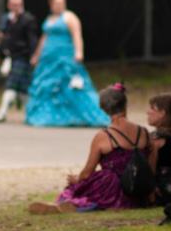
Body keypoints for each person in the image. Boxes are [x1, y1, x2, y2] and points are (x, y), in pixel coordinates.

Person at [28, 83, 149, 213]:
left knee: (75, 188)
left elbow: (87, 173)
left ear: (104, 108)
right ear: (125, 104)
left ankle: (70, 204)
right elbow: (150, 166)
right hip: (138, 188)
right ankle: (67, 206)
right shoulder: (144, 132)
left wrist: (76, 179)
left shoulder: (104, 136)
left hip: (111, 188)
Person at [24, 0, 106, 127]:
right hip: (47, 60)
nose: (60, 6)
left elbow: (77, 35)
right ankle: (50, 116)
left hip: (64, 58)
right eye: (57, 3)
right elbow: (43, 39)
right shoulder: (49, 19)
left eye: (62, 3)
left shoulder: (69, 17)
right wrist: (36, 56)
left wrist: (79, 52)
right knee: (47, 88)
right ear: (51, 5)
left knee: (71, 87)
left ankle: (87, 116)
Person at [0, 0, 39, 123]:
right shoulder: (6, 19)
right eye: (13, 5)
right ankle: (28, 114)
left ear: (22, 5)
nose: (16, 8)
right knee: (21, 89)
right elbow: (3, 38)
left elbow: (33, 40)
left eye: (18, 5)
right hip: (11, 57)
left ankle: (3, 113)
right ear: (9, 5)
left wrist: (34, 56)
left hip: (23, 58)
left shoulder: (28, 20)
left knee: (13, 86)